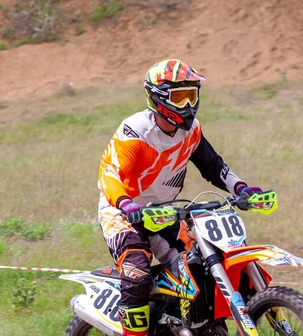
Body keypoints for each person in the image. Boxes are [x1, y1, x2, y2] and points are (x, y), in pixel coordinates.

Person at [97, 59, 265, 336]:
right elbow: (110, 175)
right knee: (137, 272)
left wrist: (242, 189)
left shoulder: (192, 130)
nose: (187, 105)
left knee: (202, 266)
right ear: (159, 97)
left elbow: (214, 166)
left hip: (166, 213)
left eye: (191, 95)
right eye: (179, 97)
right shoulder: (135, 131)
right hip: (123, 213)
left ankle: (200, 325)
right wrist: (126, 204)